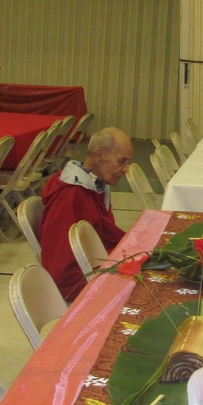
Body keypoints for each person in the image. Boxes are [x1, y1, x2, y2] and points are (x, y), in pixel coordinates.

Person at [40, 126, 133, 301]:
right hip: (77, 283)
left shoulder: (95, 185)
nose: (125, 169)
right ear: (99, 155)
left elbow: (105, 235)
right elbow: (60, 267)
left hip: (97, 262)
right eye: (121, 161)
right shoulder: (69, 198)